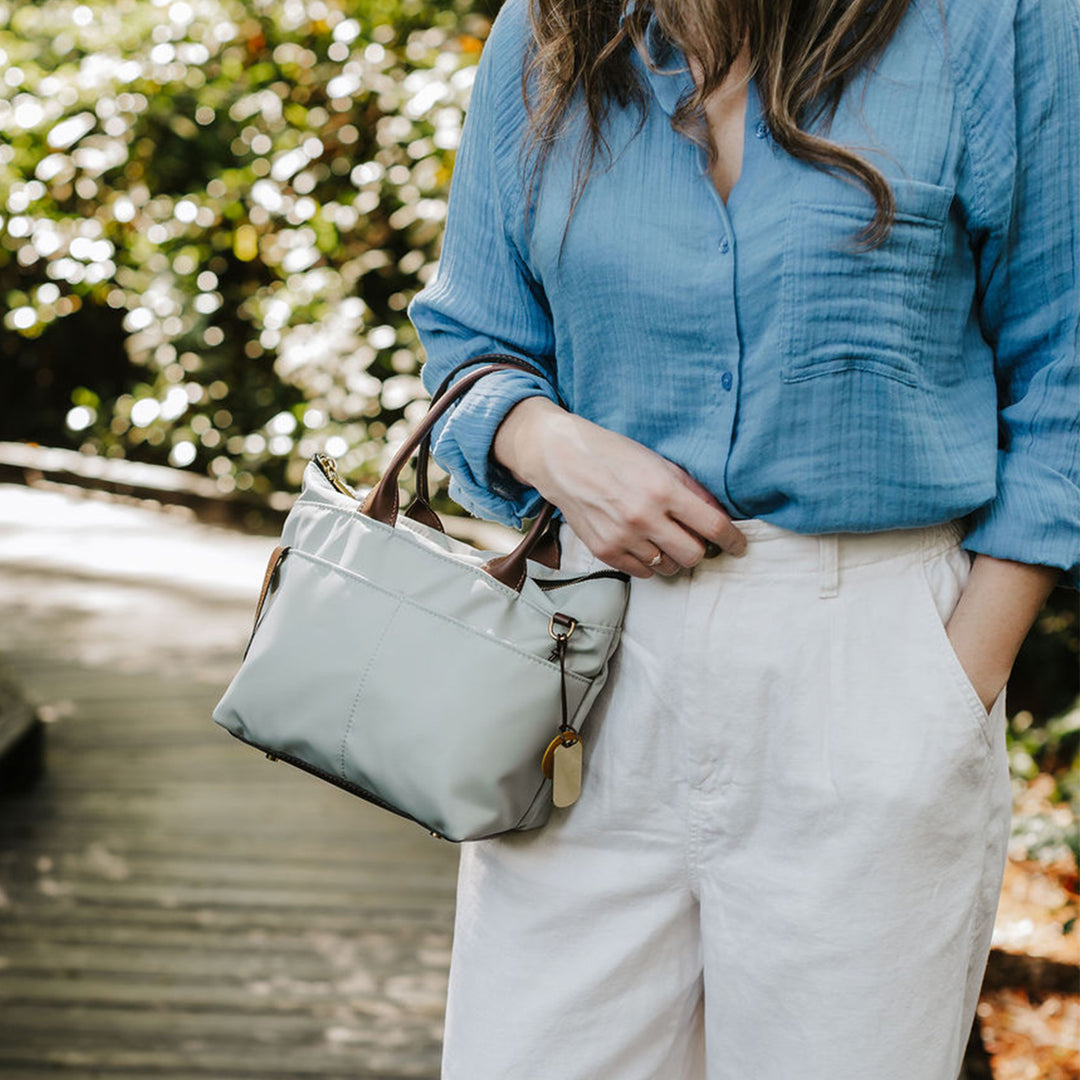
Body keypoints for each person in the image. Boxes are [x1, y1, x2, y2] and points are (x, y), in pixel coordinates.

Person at [405, 0, 1079, 1076]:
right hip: (583, 683)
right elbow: (470, 342)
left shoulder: (999, 25)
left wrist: (954, 688)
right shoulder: (550, 29)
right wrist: (549, 445)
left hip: (874, 666)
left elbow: (1068, 373)